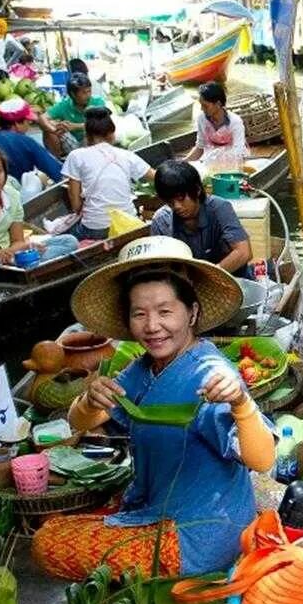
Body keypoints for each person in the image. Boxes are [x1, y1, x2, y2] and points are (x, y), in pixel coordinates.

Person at [31, 235, 275, 580]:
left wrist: (240, 401)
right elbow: (80, 422)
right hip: (156, 510)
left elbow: (262, 461)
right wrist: (88, 400)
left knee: (46, 543)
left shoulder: (208, 373)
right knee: (53, 525)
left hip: (198, 535)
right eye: (139, 314)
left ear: (191, 313)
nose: (152, 326)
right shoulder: (144, 368)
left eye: (165, 311)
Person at [0, 144, 78, 267]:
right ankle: (27, 265)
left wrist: (17, 252)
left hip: (11, 255)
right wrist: (8, 254)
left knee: (69, 241)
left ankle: (24, 264)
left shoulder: (12, 195)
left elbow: (18, 240)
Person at [61, 107, 154, 240]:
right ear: (112, 133)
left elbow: (75, 204)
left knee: (66, 236)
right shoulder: (127, 155)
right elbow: (157, 177)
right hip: (129, 224)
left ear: (87, 135)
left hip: (95, 228)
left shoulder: (76, 156)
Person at [150, 160, 251, 275]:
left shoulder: (219, 208)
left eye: (181, 198)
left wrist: (209, 277)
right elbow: (160, 266)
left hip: (230, 277)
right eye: (170, 201)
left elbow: (243, 252)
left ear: (197, 190)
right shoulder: (161, 220)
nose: (177, 206)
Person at [0, 97, 63, 182]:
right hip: (17, 192)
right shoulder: (26, 142)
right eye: (27, 121)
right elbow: (57, 173)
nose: (29, 123)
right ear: (16, 123)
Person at [44, 72, 107, 153]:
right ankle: (57, 162)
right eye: (84, 92)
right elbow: (43, 118)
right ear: (73, 94)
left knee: (93, 132)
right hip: (73, 144)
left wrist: (75, 126)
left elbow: (102, 123)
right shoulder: (64, 104)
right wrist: (56, 127)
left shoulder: (98, 101)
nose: (88, 95)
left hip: (92, 144)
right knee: (48, 130)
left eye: (89, 91)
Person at [187, 81, 246, 164]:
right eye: (201, 105)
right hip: (211, 160)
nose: (202, 109)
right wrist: (184, 162)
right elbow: (200, 147)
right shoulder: (201, 118)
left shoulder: (235, 122)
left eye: (205, 106)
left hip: (233, 162)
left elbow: (239, 153)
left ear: (218, 104)